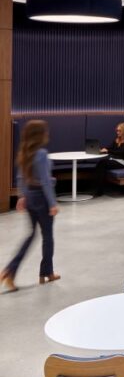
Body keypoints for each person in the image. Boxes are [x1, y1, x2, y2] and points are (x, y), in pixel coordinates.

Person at [1, 119, 59, 291]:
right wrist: (53, 203)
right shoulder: (41, 154)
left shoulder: (24, 152)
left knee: (31, 234)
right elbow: (45, 182)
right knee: (47, 236)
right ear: (40, 135)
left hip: (31, 198)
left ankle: (10, 271)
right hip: (42, 198)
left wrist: (22, 196)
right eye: (45, 131)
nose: (47, 134)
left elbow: (21, 177)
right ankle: (46, 272)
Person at [94, 122, 124, 196]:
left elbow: (122, 152)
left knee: (102, 163)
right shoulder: (117, 140)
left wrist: (108, 151)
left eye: (119, 131)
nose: (117, 132)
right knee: (101, 163)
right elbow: (110, 147)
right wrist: (103, 149)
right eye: (117, 131)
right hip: (116, 160)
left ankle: (99, 190)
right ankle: (98, 188)